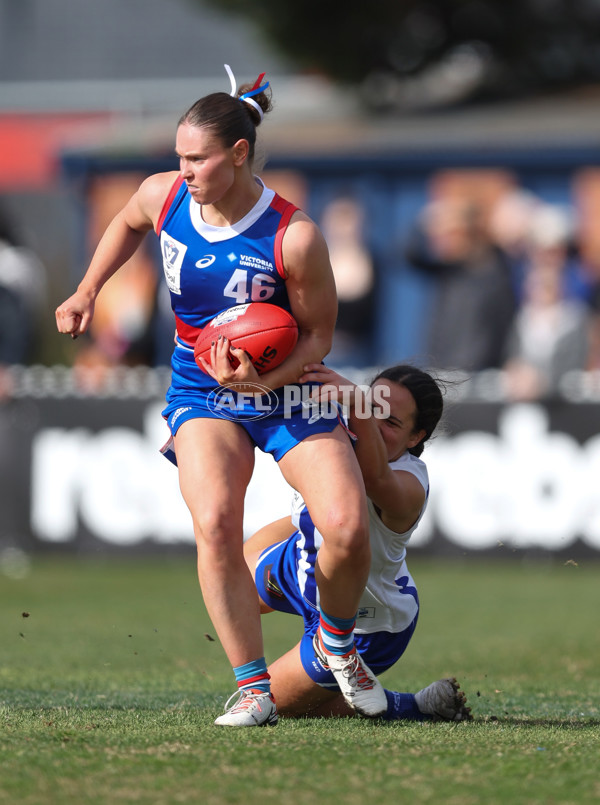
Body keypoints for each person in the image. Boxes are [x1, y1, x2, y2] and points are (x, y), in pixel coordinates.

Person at [55, 66, 383, 727]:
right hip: (203, 389)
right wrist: (88, 288)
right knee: (213, 522)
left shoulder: (294, 236)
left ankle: (339, 646)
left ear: (237, 154)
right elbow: (124, 221)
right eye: (179, 157)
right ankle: (254, 688)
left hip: (286, 385)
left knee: (347, 527)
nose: (185, 171)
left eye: (197, 159)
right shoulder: (165, 196)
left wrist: (265, 378)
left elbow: (318, 336)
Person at [242, 362, 472, 721]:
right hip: (307, 568)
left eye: (391, 423)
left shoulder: (409, 484)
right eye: (373, 408)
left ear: (416, 438)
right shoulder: (345, 422)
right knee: (234, 584)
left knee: (275, 705)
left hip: (368, 621)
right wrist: (253, 379)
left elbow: (374, 475)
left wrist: (360, 408)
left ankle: (415, 706)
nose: (376, 425)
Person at [405, 198, 517, 372]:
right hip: (439, 370)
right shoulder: (447, 271)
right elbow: (408, 255)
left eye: (453, 233)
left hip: (475, 376)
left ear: (469, 234)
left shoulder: (494, 273)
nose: (445, 241)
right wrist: (423, 223)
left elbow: (500, 330)